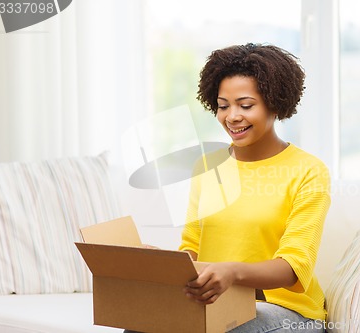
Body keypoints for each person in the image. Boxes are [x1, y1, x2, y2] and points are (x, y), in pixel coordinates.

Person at [124, 43, 330, 333]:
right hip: (219, 302)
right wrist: (164, 263)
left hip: (288, 313)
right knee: (141, 324)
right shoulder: (208, 166)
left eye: (246, 105)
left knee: (230, 328)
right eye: (223, 106)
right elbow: (192, 248)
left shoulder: (308, 170)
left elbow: (293, 267)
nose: (232, 116)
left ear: (275, 102)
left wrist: (232, 272)